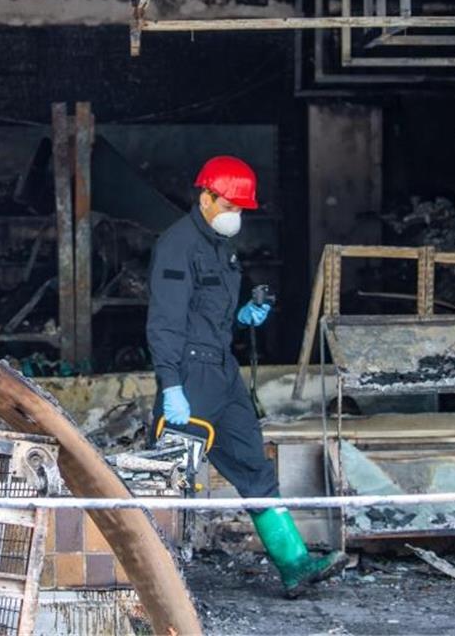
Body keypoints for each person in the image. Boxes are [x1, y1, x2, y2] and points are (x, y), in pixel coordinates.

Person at [146, 155, 346, 597]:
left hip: (222, 370)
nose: (237, 215)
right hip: (190, 376)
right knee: (167, 480)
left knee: (254, 466)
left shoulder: (221, 246)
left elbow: (207, 312)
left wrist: (242, 316)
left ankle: (294, 564)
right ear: (207, 198)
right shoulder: (177, 246)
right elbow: (164, 321)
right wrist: (171, 383)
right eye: (231, 207)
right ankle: (147, 582)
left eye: (241, 209)